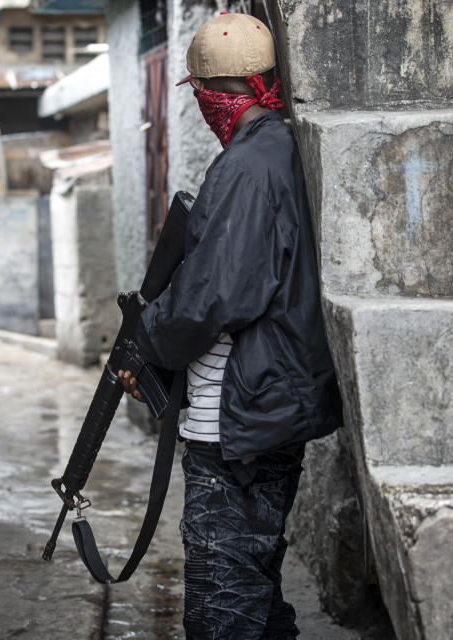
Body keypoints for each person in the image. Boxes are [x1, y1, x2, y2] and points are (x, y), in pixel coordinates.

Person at [118, 13, 342, 640]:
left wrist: (148, 343)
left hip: (237, 424)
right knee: (256, 595)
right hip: (271, 407)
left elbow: (214, 297)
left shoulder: (247, 165)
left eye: (205, 98)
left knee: (223, 608)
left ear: (217, 95)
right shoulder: (282, 151)